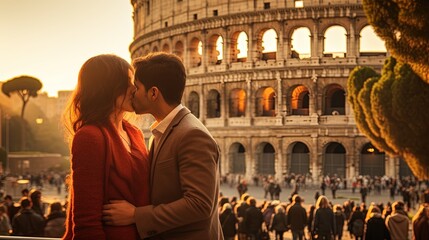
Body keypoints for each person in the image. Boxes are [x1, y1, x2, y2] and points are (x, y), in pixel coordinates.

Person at [102, 52, 222, 239]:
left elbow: (199, 204)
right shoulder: (164, 131)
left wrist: (136, 215)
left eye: (137, 87)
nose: (132, 92)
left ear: (153, 93)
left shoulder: (192, 134)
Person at [62, 54, 150, 239]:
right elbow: (87, 222)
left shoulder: (135, 133)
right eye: (127, 82)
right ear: (108, 87)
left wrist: (137, 215)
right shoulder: (89, 137)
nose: (134, 88)